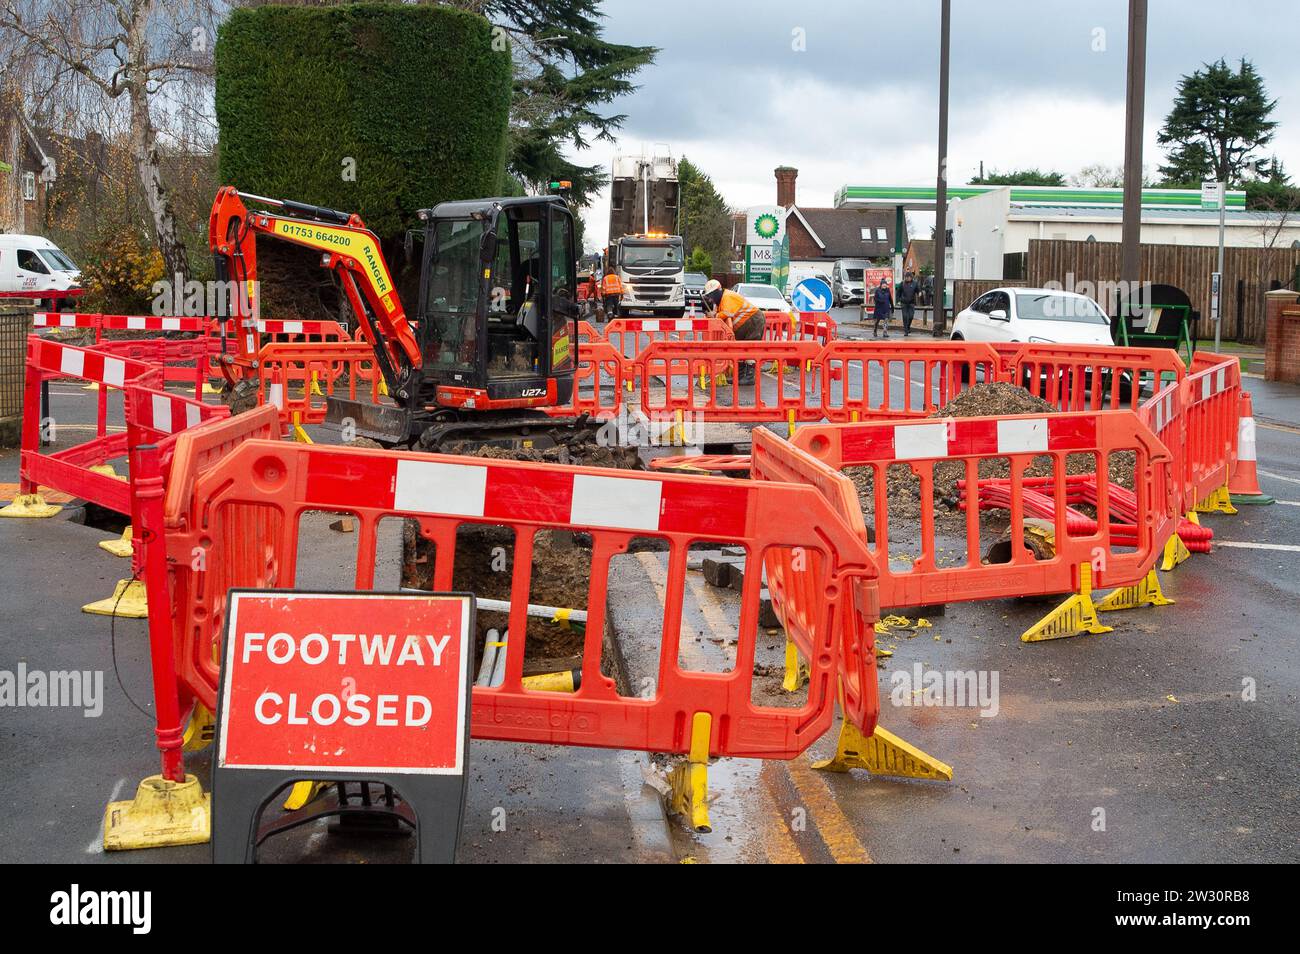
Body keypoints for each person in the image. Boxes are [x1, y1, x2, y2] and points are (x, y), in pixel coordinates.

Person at [701, 278, 764, 383]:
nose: (711, 299)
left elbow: (727, 313)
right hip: (745, 324)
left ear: (718, 291)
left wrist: (715, 315)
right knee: (740, 348)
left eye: (711, 295)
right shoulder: (721, 300)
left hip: (753, 320)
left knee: (750, 347)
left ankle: (749, 377)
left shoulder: (727, 297)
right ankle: (739, 376)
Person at [897, 272, 919, 337]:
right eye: (906, 277)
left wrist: (919, 293)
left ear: (911, 277)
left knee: (911, 316)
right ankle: (906, 331)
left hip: (911, 303)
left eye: (909, 277)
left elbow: (918, 290)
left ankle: (908, 327)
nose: (908, 278)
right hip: (904, 303)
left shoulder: (915, 283)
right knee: (905, 316)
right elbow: (898, 293)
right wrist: (898, 300)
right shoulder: (902, 284)